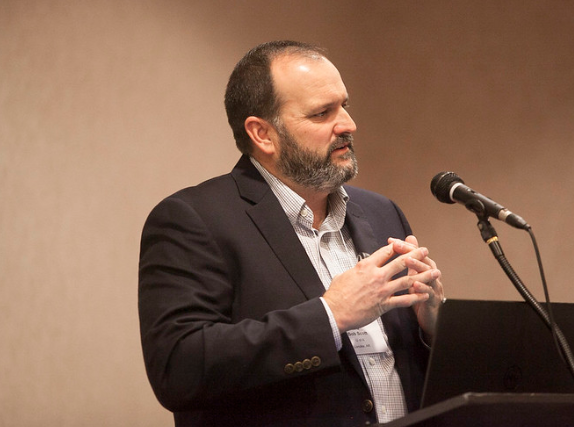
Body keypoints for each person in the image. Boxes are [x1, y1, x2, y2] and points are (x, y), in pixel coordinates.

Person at [138, 40, 445, 427]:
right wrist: (330, 315)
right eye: (322, 113)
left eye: (344, 105)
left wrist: (433, 328)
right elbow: (178, 368)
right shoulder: (194, 220)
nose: (348, 124)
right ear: (262, 134)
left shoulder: (382, 213)